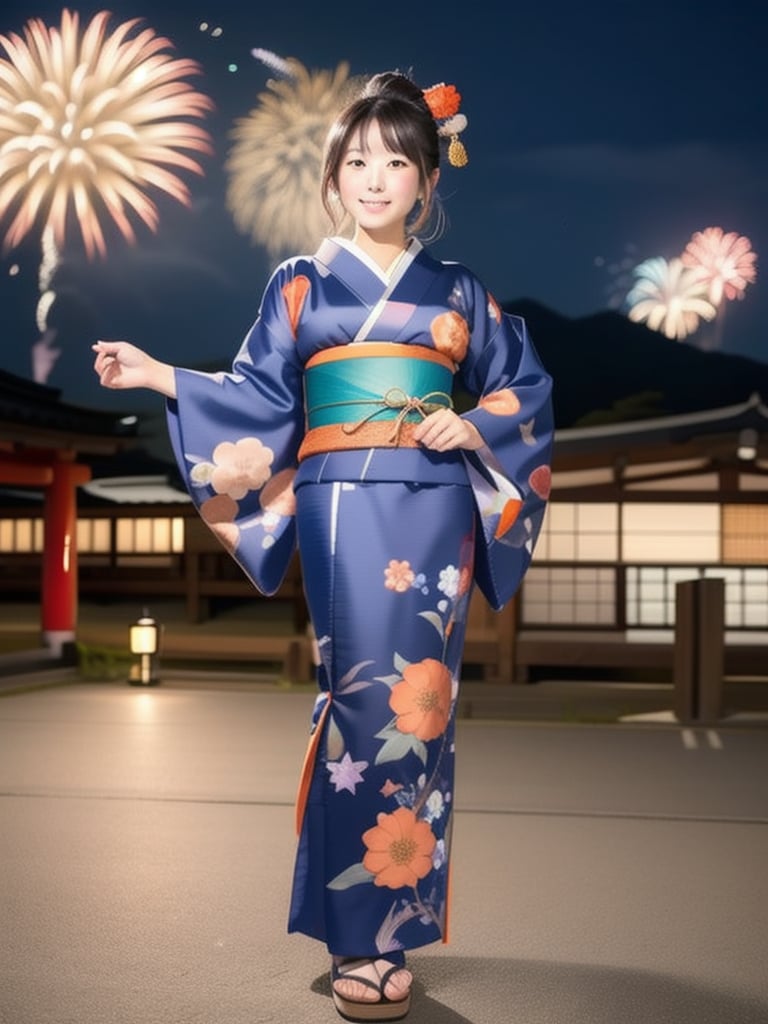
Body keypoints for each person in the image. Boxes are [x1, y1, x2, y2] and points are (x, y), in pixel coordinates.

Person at [93, 70, 553, 1023]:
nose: (377, 178)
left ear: (428, 180)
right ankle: (356, 937)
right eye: (357, 162)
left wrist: (474, 427)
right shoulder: (300, 285)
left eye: (398, 161)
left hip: (435, 516)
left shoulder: (460, 291)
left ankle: (399, 930)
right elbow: (259, 400)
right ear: (333, 182)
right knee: (358, 706)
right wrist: (161, 375)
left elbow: (524, 391)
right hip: (342, 508)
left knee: (421, 715)